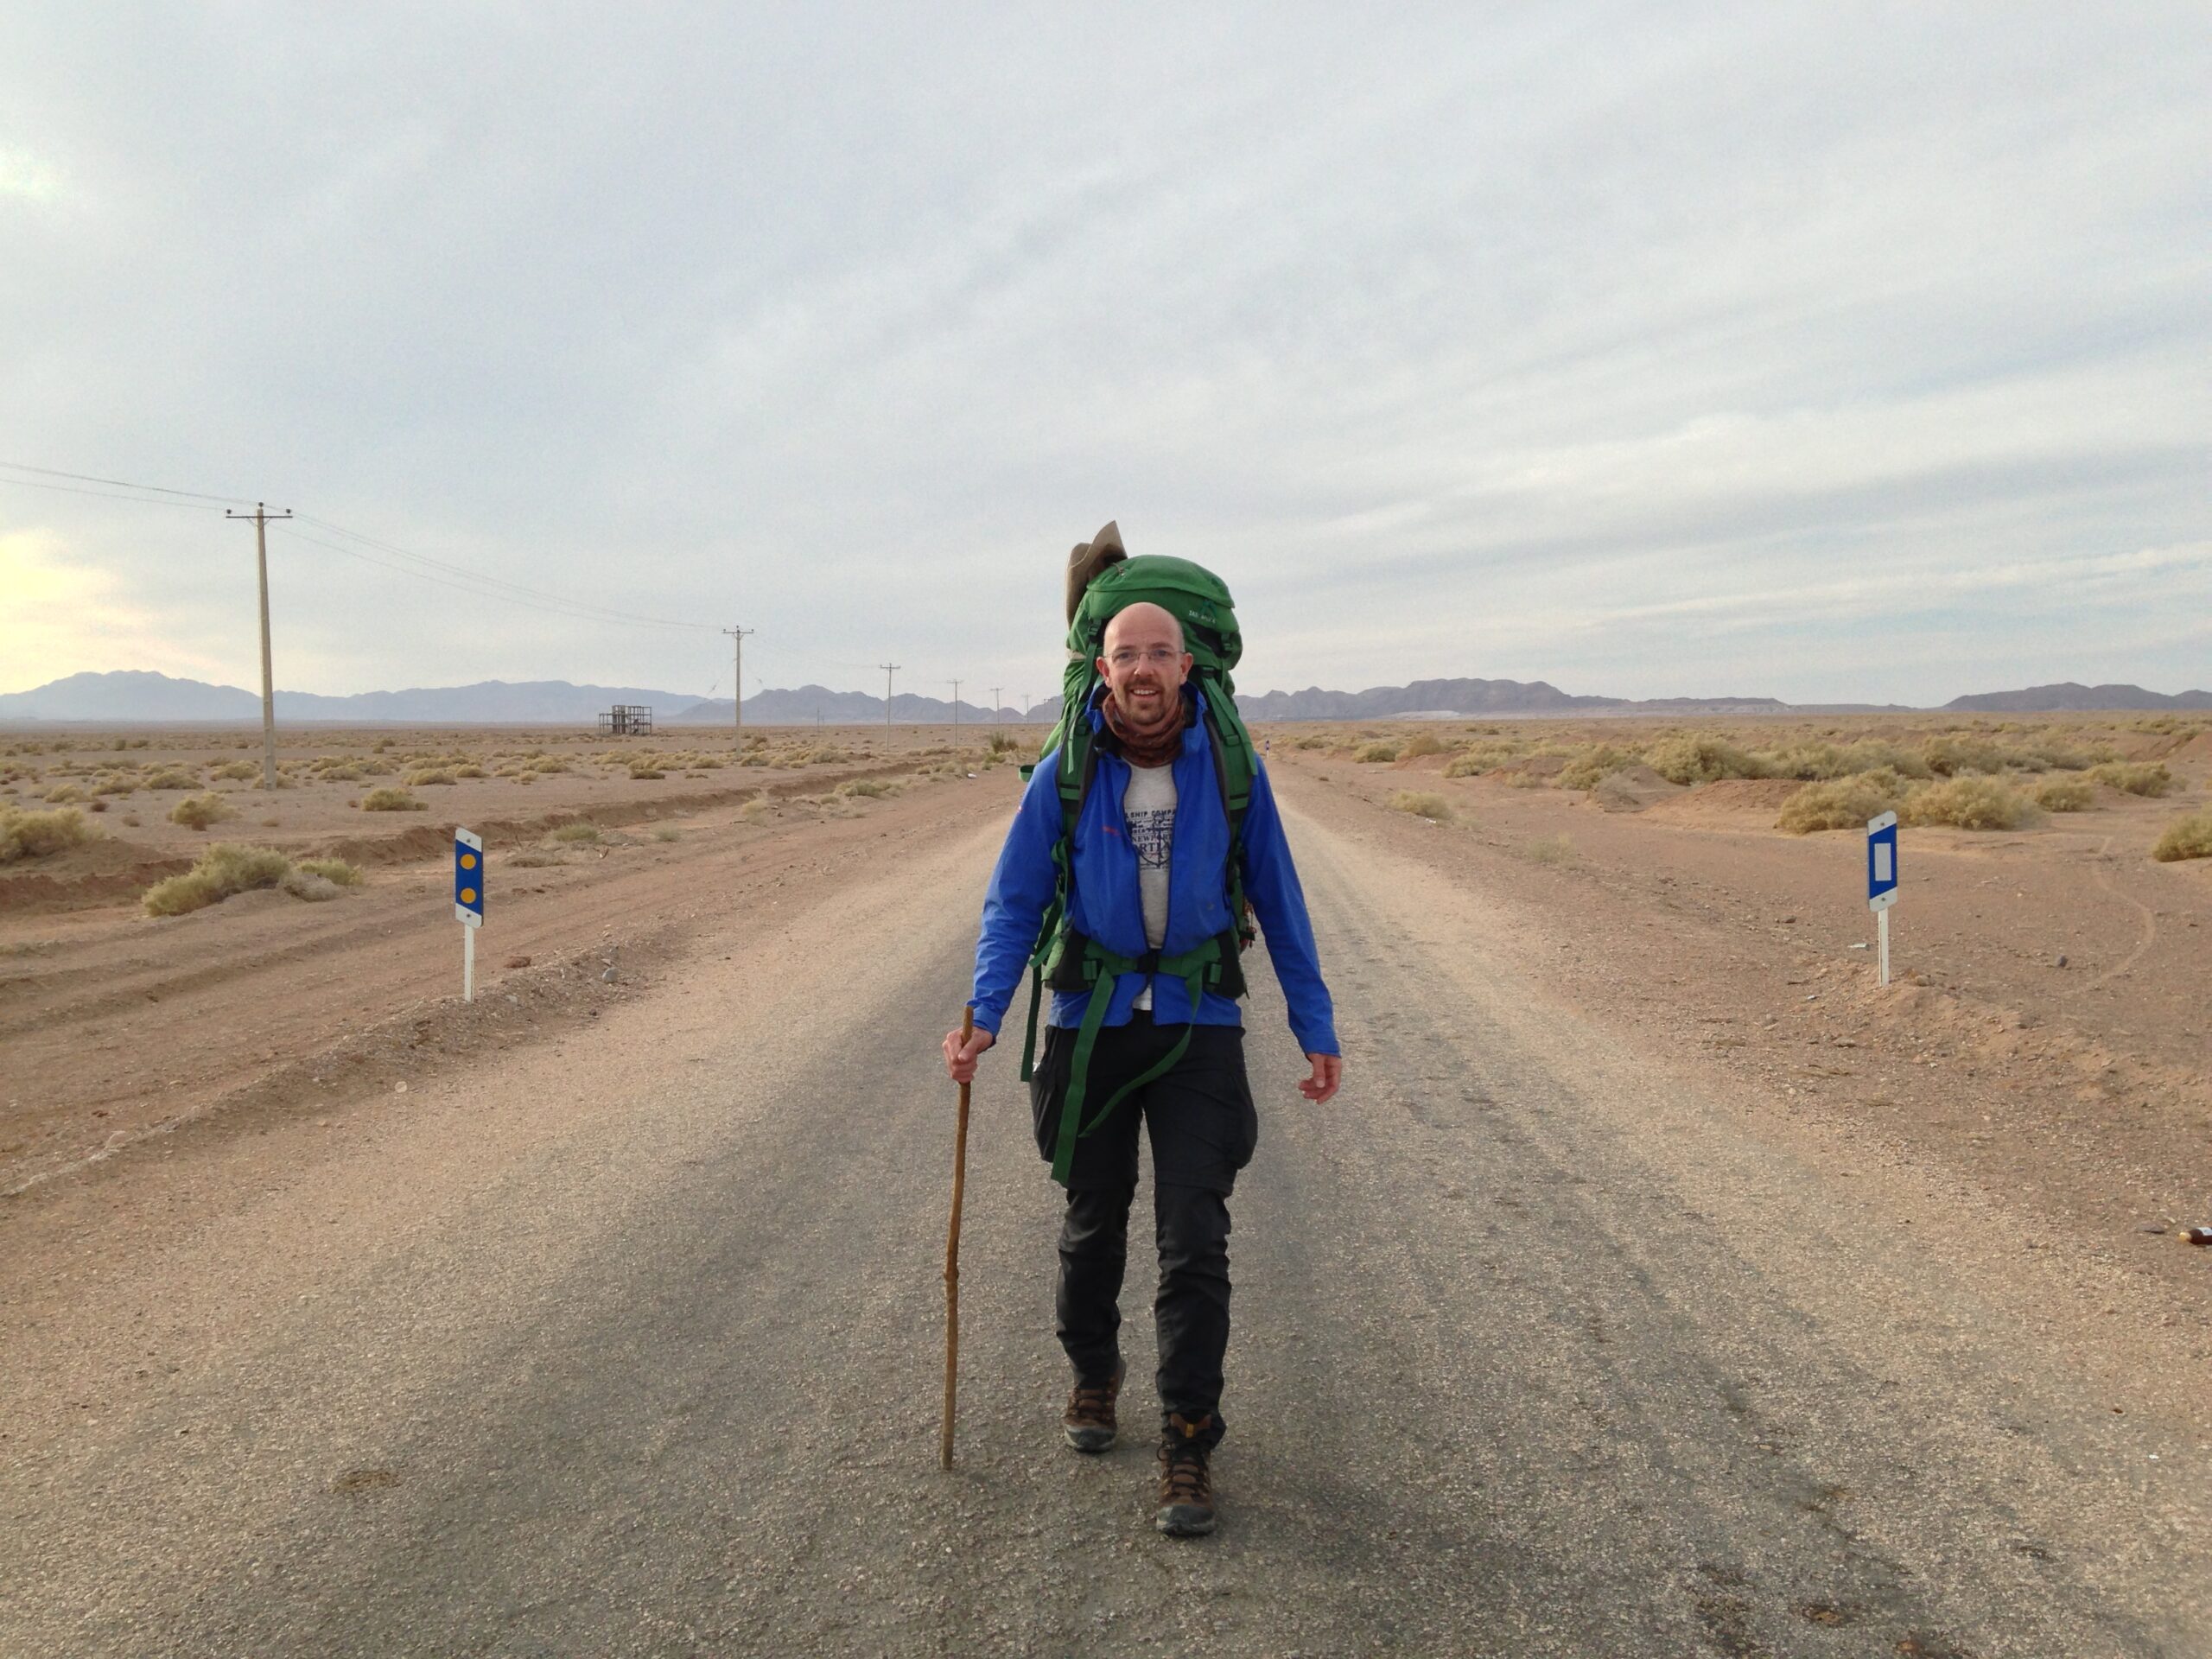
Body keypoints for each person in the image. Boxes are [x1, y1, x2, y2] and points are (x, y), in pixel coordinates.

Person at [942, 597, 1342, 1537]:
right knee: (1091, 1220)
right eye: (1128, 654)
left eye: (1162, 651)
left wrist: (1312, 1021)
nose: (1146, 668)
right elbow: (1013, 903)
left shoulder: (1233, 769)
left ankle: (1188, 1434)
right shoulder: (1064, 773)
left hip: (1199, 1021)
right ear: (1101, 667)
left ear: (1189, 666)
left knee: (1194, 1234)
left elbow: (1280, 898)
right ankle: (1092, 1374)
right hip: (1092, 1020)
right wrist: (984, 1018)